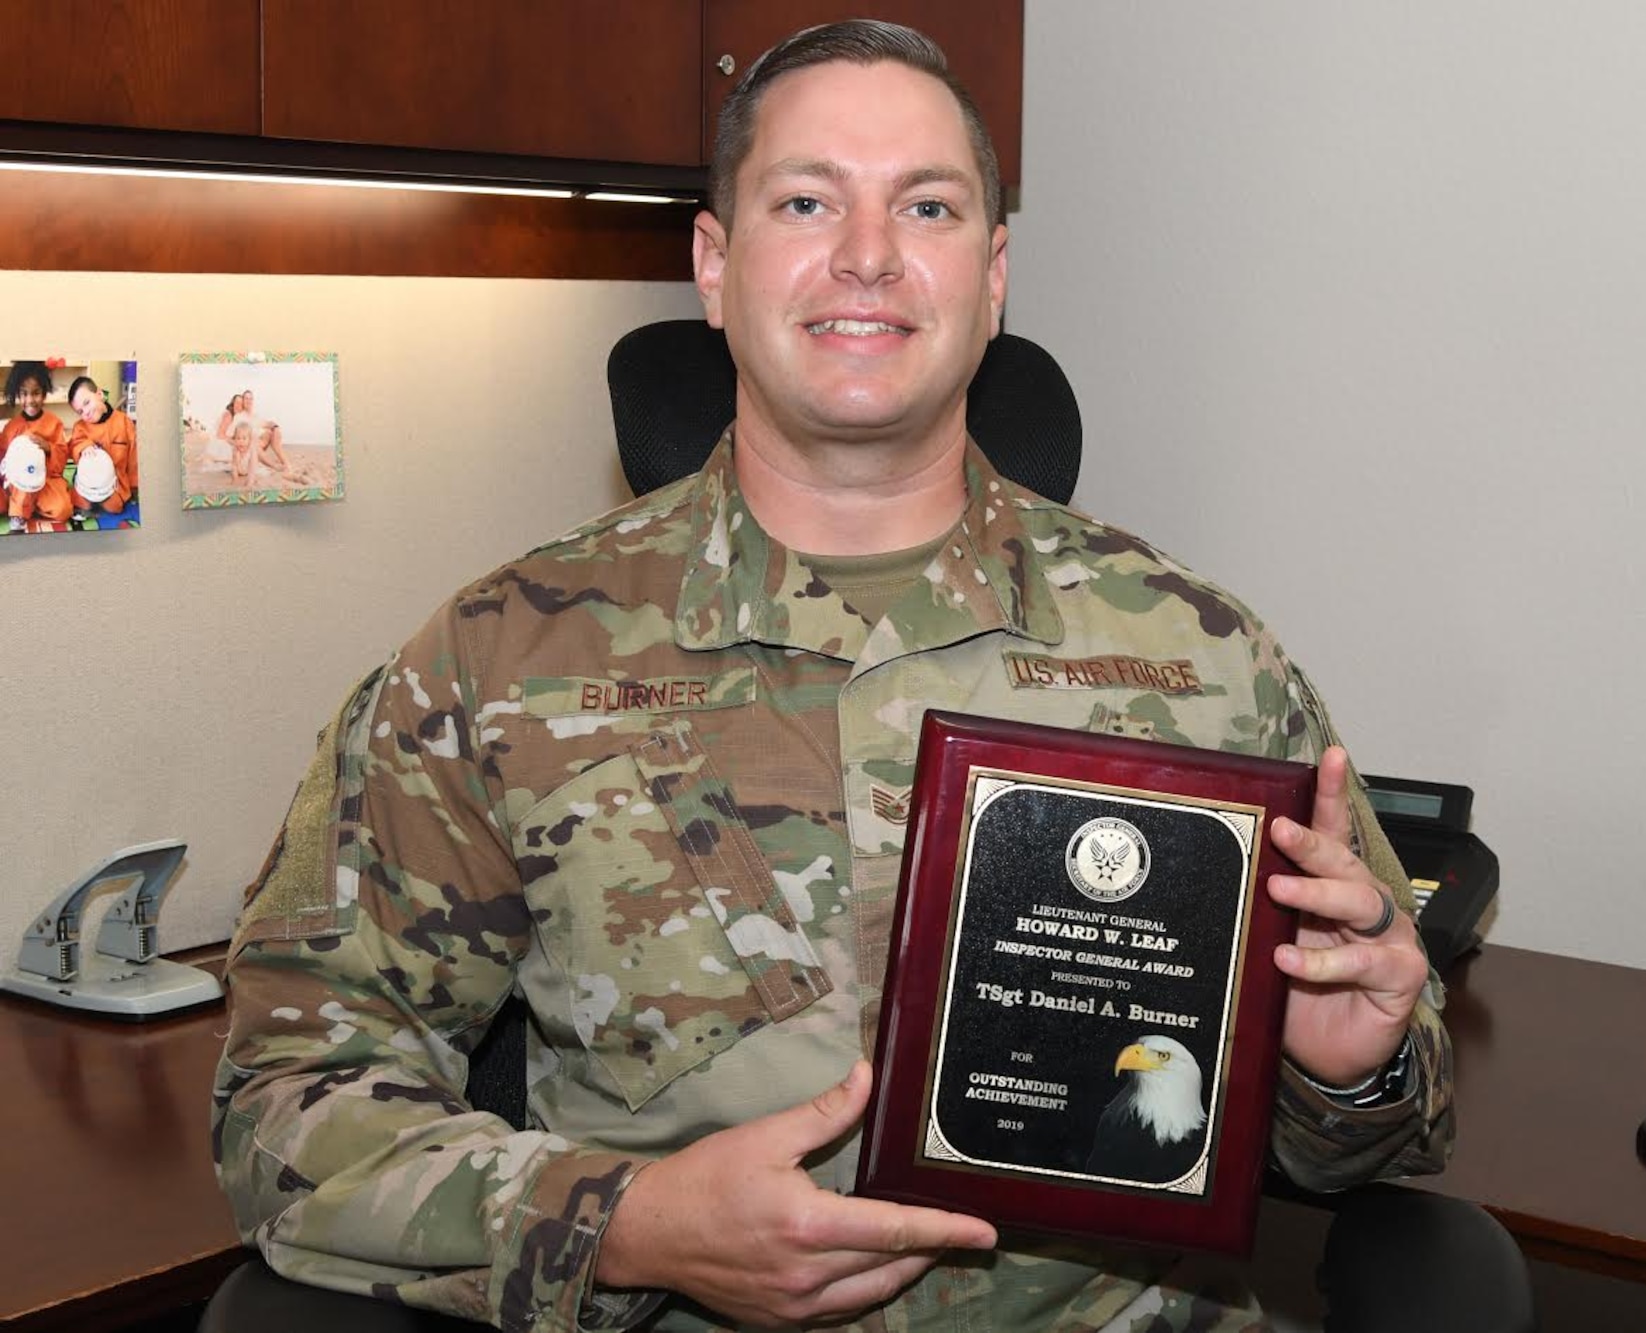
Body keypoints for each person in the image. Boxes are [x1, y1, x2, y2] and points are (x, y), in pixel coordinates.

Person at [214, 21, 1452, 1333]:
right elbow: (285, 1101)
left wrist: (1347, 1073)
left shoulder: (1208, 660)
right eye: (805, 200)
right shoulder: (498, 656)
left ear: (993, 274)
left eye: (926, 205)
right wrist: (623, 1226)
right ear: (714, 262)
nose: (867, 255)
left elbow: (1375, 1136)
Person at [2, 361, 72, 532]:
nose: (30, 400)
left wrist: (48, 447)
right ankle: (20, 511)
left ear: (44, 393)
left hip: (46, 480)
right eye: (24, 394)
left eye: (36, 393)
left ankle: (31, 506)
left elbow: (62, 457)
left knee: (63, 510)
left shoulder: (54, 423)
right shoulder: (12, 426)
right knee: (18, 491)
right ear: (18, 395)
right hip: (19, 484)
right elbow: (3, 459)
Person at [65, 376, 139, 518]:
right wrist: (84, 446)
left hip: (115, 483)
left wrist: (134, 486)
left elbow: (133, 458)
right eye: (80, 411)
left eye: (87, 403)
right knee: (79, 503)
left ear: (99, 394)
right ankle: (85, 504)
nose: (85, 412)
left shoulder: (124, 422)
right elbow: (74, 444)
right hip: (87, 483)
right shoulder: (80, 427)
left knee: (114, 506)